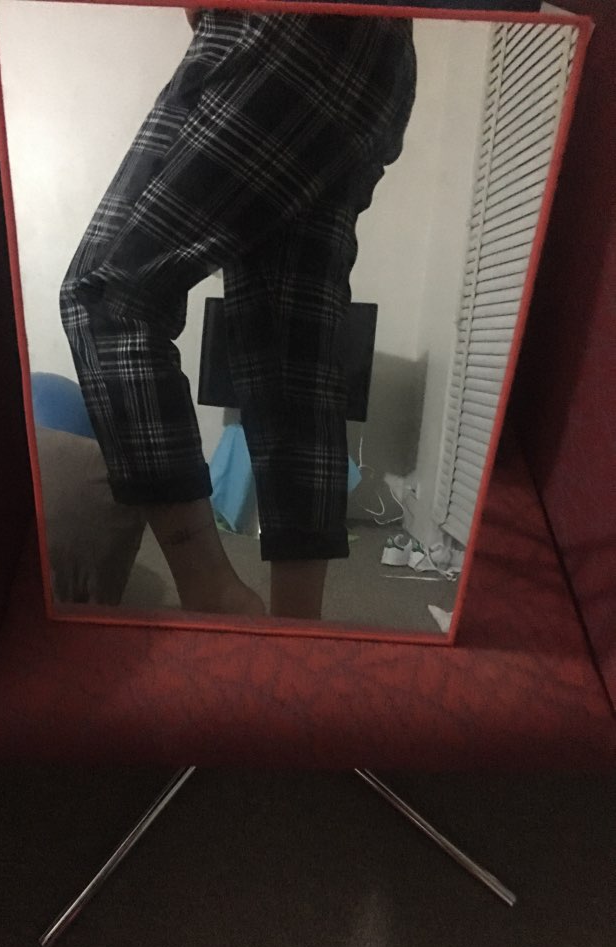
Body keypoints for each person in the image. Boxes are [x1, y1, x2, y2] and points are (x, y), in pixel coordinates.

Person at [59, 8, 416, 619]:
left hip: (278, 27)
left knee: (107, 297)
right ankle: (295, 633)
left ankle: (213, 594)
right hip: (375, 53)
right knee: (291, 359)